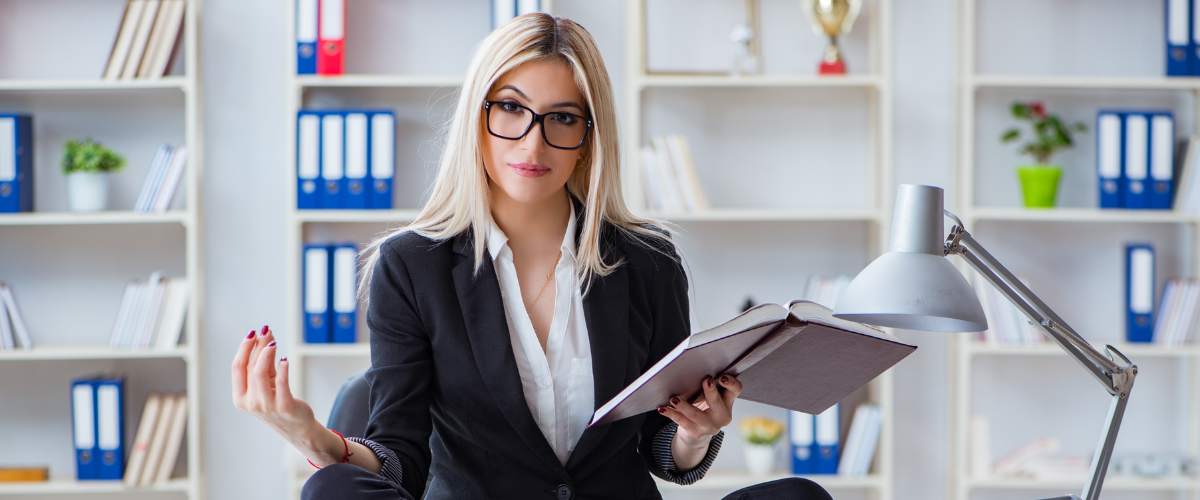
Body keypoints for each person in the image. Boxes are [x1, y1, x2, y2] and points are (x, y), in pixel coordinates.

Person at [232, 13, 833, 500]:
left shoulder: (650, 261)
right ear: (478, 118)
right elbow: (401, 463)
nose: (534, 141)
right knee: (333, 490)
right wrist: (314, 437)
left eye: (562, 118)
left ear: (589, 140)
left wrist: (693, 437)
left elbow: (663, 452)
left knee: (799, 497)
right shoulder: (410, 267)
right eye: (512, 109)